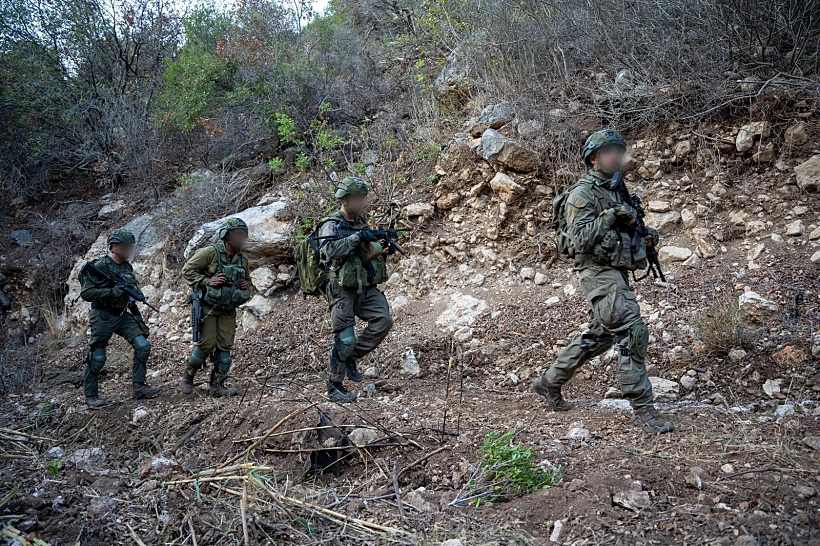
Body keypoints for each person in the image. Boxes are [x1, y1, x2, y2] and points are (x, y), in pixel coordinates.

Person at [533, 129, 674, 434]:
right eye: (608, 152)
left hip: (615, 272)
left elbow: (622, 232)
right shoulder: (582, 194)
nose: (615, 156)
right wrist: (612, 214)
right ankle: (643, 409)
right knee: (632, 330)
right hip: (597, 272)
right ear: (593, 158)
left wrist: (646, 236)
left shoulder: (616, 189)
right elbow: (582, 239)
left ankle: (549, 383)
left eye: (618, 151)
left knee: (600, 335)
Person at [318, 176, 395, 403]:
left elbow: (362, 255)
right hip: (341, 287)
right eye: (357, 199)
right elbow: (329, 251)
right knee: (346, 339)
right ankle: (334, 384)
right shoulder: (331, 224)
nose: (361, 203)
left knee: (383, 320)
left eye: (363, 198)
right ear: (345, 199)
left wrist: (380, 249)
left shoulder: (360, 222)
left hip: (363, 284)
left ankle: (350, 358)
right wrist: (356, 238)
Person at [79, 229, 161, 408]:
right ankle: (91, 396)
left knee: (143, 346)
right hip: (103, 316)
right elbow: (86, 293)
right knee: (98, 357)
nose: (128, 250)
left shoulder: (126, 267)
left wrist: (136, 294)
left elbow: (131, 286)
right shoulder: (100, 266)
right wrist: (110, 292)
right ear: (114, 247)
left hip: (122, 314)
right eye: (125, 247)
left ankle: (139, 387)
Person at [180, 218, 252, 397]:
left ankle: (217, 386)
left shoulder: (242, 259)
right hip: (207, 307)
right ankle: (188, 376)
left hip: (228, 309)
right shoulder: (210, 253)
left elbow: (248, 282)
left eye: (243, 235)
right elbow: (187, 271)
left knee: (225, 351)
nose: (240, 238)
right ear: (226, 235)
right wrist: (207, 281)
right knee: (206, 344)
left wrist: (244, 285)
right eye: (237, 234)